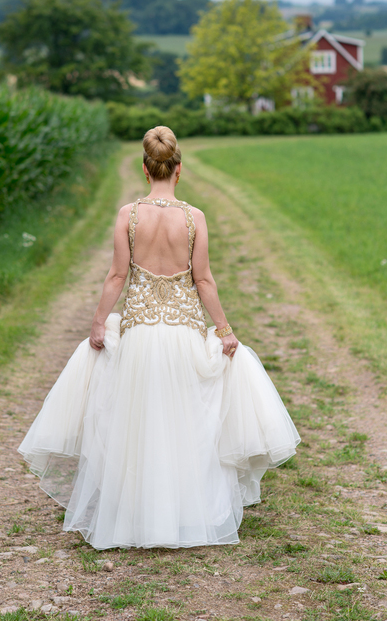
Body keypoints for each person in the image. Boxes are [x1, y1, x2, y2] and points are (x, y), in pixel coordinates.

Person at [18, 126, 299, 549]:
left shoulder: (127, 215)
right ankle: (190, 515)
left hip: (141, 334)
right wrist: (224, 330)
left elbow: (117, 275)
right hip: (183, 334)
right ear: (178, 169)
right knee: (186, 423)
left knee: (138, 424)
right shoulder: (194, 217)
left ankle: (135, 516)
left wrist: (99, 323)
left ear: (145, 169)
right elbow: (203, 280)